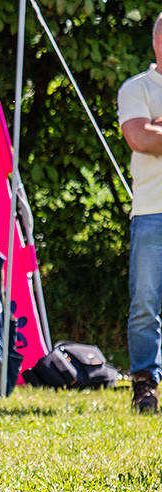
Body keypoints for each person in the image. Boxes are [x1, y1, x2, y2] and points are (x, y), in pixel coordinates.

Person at [118, 11, 162, 413]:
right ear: (157, 42)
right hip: (152, 212)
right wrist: (150, 131)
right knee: (145, 303)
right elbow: (139, 137)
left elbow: (154, 135)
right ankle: (144, 383)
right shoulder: (137, 88)